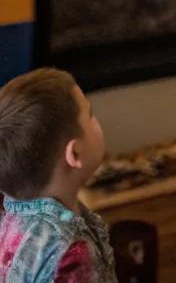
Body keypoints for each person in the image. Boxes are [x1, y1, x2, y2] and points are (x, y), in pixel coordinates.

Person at [0, 67, 115, 282]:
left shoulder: (12, 214)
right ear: (75, 153)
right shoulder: (72, 253)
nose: (95, 119)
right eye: (90, 114)